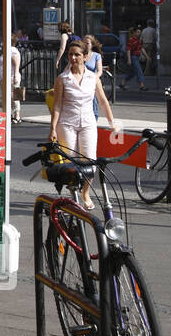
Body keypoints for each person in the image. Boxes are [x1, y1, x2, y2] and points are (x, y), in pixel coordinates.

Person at [48, 40, 119, 210]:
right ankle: (73, 197)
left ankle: (85, 192)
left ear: (85, 57)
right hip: (67, 123)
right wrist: (52, 128)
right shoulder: (62, 78)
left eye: (77, 54)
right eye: (70, 54)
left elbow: (102, 101)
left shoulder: (92, 78)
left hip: (87, 123)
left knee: (89, 161)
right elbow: (57, 105)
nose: (73, 58)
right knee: (69, 164)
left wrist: (112, 122)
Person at [0, 37, 22, 123]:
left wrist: (15, 76)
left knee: (14, 96)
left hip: (11, 76)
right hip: (2, 78)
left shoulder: (13, 50)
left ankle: (17, 115)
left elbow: (16, 63)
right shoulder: (6, 51)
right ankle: (9, 111)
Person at [119, 25, 148, 91]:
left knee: (133, 73)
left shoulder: (139, 40)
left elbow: (141, 48)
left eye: (139, 32)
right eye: (138, 32)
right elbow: (128, 50)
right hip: (133, 57)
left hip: (137, 57)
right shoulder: (131, 40)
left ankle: (122, 83)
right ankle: (142, 86)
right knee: (139, 70)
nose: (139, 33)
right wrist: (129, 59)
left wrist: (147, 56)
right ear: (134, 32)